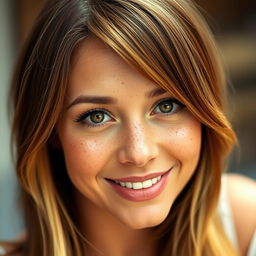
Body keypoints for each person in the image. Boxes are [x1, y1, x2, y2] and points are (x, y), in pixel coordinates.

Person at [1, 0, 255, 255]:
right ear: (51, 131)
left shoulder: (247, 223)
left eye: (166, 106)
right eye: (97, 117)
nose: (139, 153)